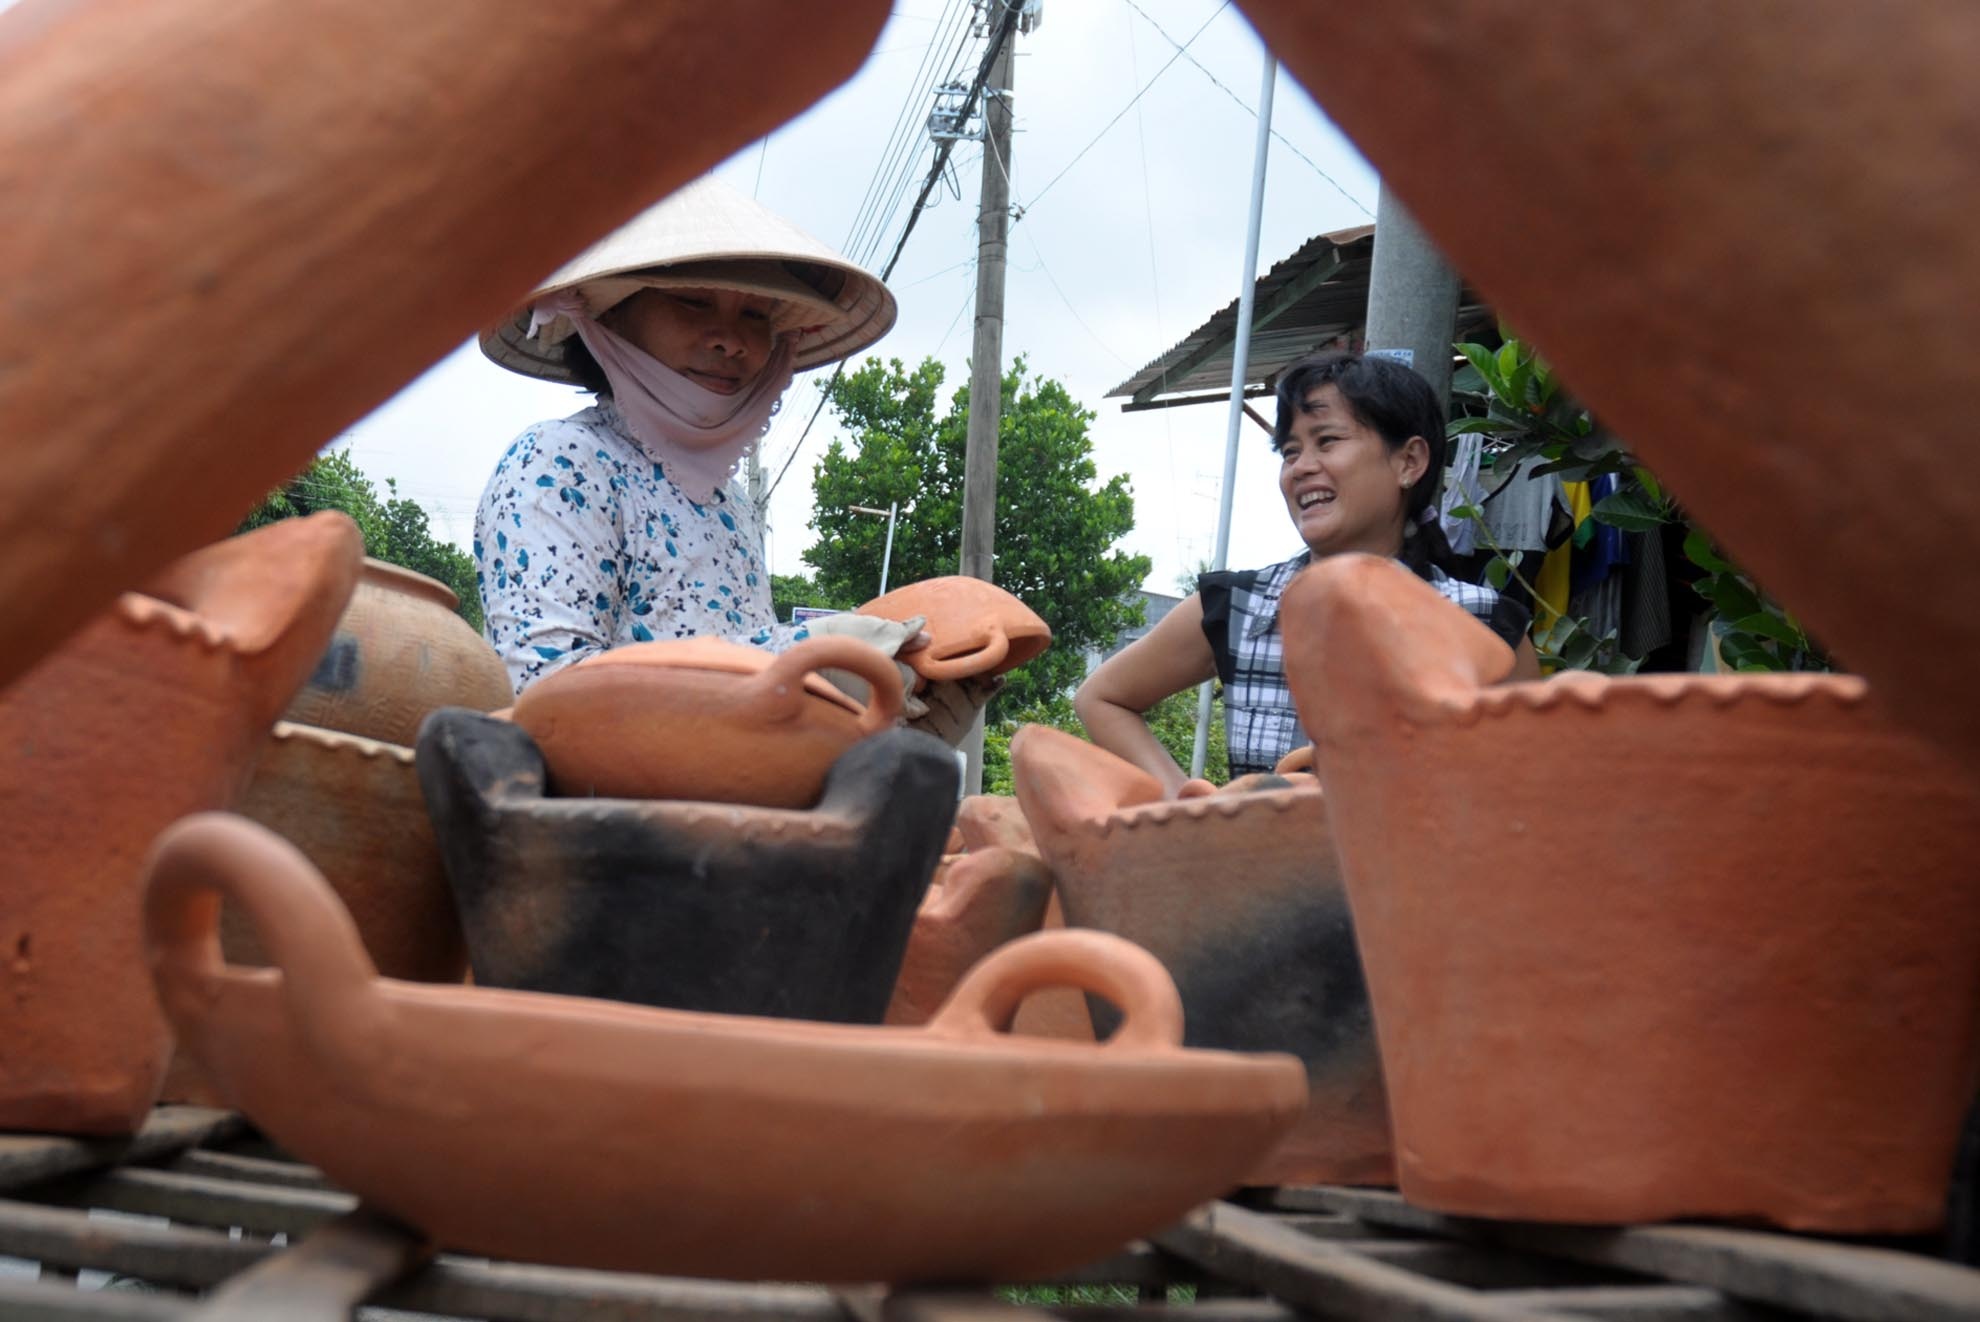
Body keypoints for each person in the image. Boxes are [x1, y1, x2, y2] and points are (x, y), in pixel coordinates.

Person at [471, 176, 933, 708]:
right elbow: (545, 691)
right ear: (608, 317)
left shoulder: (731, 503)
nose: (730, 340)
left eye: (755, 315)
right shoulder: (559, 463)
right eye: (693, 303)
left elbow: (748, 703)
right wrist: (802, 651)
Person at [1076, 351, 1541, 794]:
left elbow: (1530, 788)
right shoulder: (1237, 606)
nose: (1301, 468)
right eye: (1290, 451)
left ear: (1409, 462)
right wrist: (1190, 805)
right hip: (1263, 876)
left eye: (1328, 441)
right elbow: (1102, 699)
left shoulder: (1487, 625)